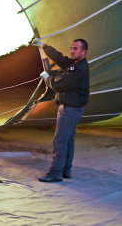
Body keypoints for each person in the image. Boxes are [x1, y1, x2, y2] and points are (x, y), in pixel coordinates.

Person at [32, 38, 89, 182]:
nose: (72, 51)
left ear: (83, 52)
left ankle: (55, 173)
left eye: (75, 48)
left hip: (70, 110)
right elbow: (59, 58)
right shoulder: (73, 64)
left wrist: (47, 79)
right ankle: (65, 171)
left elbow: (59, 86)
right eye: (71, 48)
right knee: (68, 141)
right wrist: (44, 46)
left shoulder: (79, 70)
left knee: (60, 142)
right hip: (72, 109)